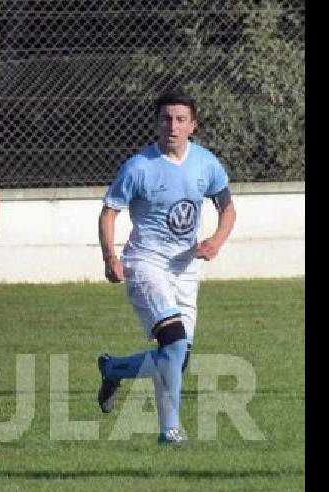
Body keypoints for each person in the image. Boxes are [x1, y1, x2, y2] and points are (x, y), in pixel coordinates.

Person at [95, 89, 237, 447]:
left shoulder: (206, 163)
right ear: (156, 123)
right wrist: (110, 257)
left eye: (180, 119)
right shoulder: (139, 166)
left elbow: (227, 207)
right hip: (147, 264)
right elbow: (109, 212)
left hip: (186, 269)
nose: (172, 126)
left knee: (177, 359)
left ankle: (114, 369)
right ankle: (169, 432)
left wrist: (216, 241)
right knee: (173, 344)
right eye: (165, 118)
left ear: (193, 125)